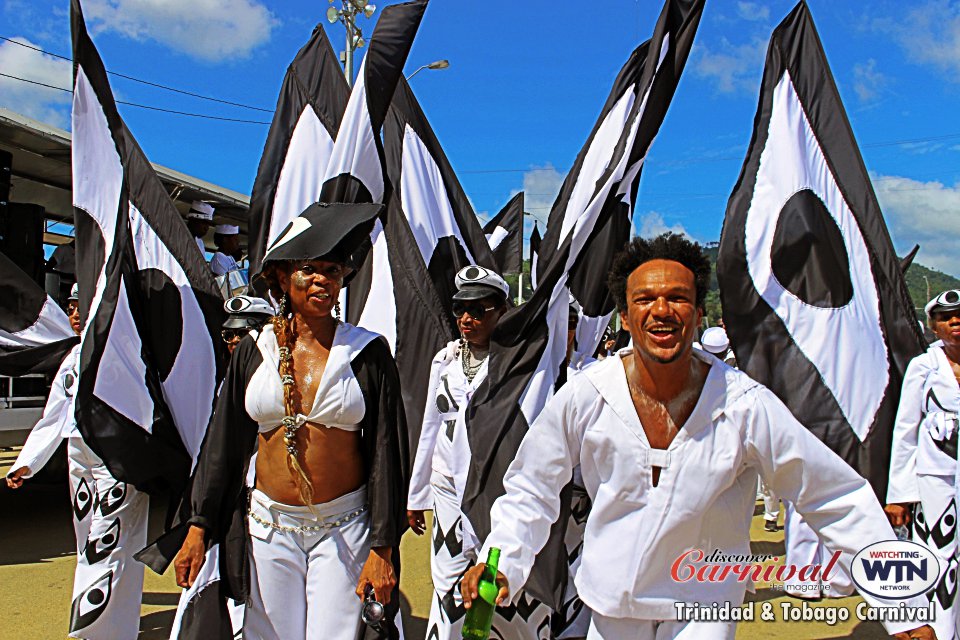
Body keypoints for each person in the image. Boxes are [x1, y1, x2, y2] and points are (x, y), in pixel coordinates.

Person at [461, 233, 934, 640]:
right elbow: (531, 489)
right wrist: (502, 559)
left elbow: (834, 496)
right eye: (644, 299)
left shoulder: (745, 405)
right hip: (610, 606)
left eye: (678, 298)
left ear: (699, 313)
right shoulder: (586, 396)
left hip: (703, 606)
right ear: (624, 317)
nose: (661, 310)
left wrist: (902, 601)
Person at [154, 202, 408, 640]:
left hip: (344, 529)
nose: (323, 281)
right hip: (268, 530)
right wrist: (199, 526)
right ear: (282, 277)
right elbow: (223, 445)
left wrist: (383, 546)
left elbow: (388, 451)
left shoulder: (367, 353)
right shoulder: (255, 350)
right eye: (310, 270)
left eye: (332, 270)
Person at [407, 265, 551, 640]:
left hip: (494, 487)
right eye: (460, 310)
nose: (466, 319)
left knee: (496, 578)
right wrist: (416, 493)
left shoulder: (519, 367)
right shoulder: (446, 360)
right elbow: (430, 425)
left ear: (502, 311)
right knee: (448, 577)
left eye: (478, 310)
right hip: (447, 489)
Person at [6, 284, 148, 639]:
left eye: (81, 306)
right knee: (87, 536)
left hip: (116, 455)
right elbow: (55, 413)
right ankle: (106, 626)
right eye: (70, 306)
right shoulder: (72, 356)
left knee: (108, 538)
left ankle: (94, 631)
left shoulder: (127, 350)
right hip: (79, 453)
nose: (74, 314)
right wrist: (28, 460)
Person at [886, 288, 960, 640]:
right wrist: (900, 494)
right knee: (940, 556)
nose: (955, 322)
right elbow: (906, 430)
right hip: (936, 479)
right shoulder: (924, 366)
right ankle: (943, 630)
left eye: (959, 315)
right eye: (946, 318)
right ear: (933, 326)